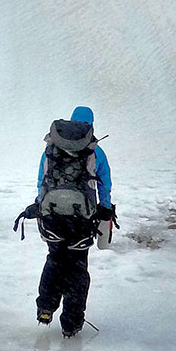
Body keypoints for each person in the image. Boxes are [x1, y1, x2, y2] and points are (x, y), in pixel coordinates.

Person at [22, 105, 114, 338]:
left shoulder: (52, 148)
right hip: (82, 219)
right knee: (77, 267)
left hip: (52, 215)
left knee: (55, 258)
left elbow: (41, 180)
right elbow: (105, 184)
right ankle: (71, 324)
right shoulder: (96, 152)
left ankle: (45, 307)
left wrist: (40, 205)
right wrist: (104, 208)